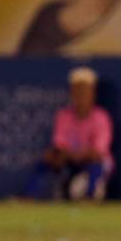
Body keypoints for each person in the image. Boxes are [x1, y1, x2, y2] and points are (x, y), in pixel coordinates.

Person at [25, 67, 114, 200]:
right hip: (72, 160)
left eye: (85, 90)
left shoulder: (101, 117)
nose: (81, 95)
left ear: (93, 93)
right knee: (48, 159)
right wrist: (63, 154)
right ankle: (30, 196)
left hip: (94, 163)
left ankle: (89, 196)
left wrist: (76, 154)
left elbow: (98, 152)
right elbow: (59, 145)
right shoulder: (64, 115)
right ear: (72, 92)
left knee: (97, 165)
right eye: (77, 90)